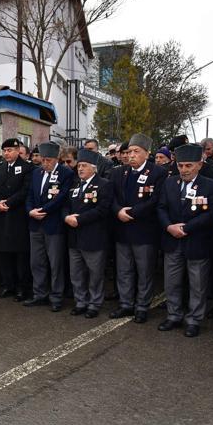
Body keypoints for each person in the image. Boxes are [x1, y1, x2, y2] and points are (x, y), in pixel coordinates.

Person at [156, 143, 213, 338]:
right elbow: (161, 208)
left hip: (197, 242)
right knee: (172, 282)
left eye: (188, 166)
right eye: (181, 165)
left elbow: (211, 213)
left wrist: (186, 228)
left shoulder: (211, 185)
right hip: (172, 240)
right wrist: (168, 227)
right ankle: (174, 315)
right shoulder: (169, 183)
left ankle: (193, 320)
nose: (183, 170)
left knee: (197, 284)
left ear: (199, 165)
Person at [108, 133, 167, 323]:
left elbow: (155, 200)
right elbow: (112, 198)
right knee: (124, 270)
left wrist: (131, 213)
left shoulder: (158, 173)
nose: (131, 155)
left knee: (144, 271)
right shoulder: (118, 172)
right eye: (129, 152)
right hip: (122, 229)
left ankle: (142, 306)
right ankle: (126, 304)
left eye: (136, 151)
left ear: (147, 153)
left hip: (144, 231)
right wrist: (118, 211)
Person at [62, 150, 114, 318]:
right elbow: (65, 205)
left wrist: (80, 220)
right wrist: (66, 217)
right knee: (76, 273)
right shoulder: (75, 185)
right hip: (74, 237)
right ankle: (80, 301)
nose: (80, 169)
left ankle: (94, 303)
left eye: (84, 166)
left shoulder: (104, 184)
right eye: (79, 166)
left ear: (94, 168)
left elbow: (102, 210)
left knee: (95, 273)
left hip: (93, 237)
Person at [24, 142, 74, 312]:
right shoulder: (37, 173)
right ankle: (40, 294)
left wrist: (43, 210)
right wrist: (30, 211)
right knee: (36, 262)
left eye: (48, 160)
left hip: (53, 224)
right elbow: (29, 194)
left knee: (55, 263)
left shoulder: (65, 173)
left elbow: (61, 197)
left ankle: (56, 296)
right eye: (43, 160)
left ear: (56, 159)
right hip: (35, 224)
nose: (45, 163)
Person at [0, 138, 33, 301]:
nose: (7, 153)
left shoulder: (27, 168)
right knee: (3, 255)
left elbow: (25, 191)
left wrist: (8, 203)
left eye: (10, 150)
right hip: (1, 216)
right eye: (5, 150)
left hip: (17, 217)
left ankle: (22, 288)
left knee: (20, 256)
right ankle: (7, 285)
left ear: (17, 151)